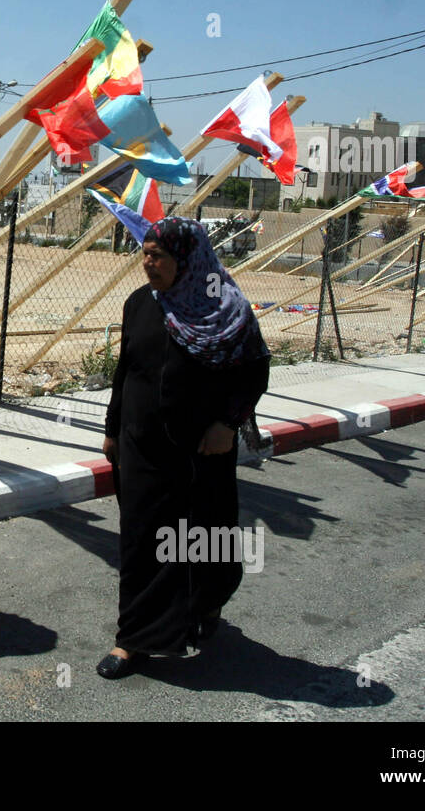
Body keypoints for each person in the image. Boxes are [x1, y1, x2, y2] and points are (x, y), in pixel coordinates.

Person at [98, 216, 270, 679]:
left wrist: (227, 424)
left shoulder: (226, 309)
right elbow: (125, 372)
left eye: (159, 256)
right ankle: (134, 640)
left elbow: (253, 371)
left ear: (188, 259)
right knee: (141, 541)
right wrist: (113, 429)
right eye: (146, 254)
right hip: (141, 447)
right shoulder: (140, 303)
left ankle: (205, 604)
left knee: (204, 535)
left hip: (200, 450)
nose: (148, 264)